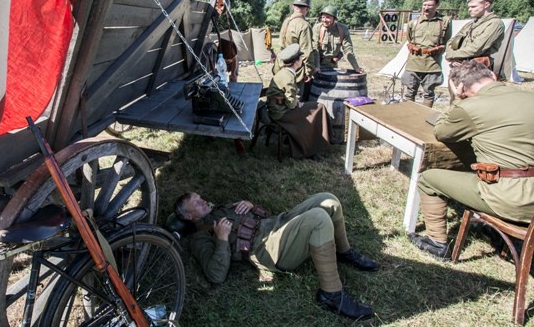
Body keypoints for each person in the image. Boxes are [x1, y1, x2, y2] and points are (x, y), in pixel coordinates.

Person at [173, 191, 379, 320]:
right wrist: (222, 240)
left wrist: (250, 205)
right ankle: (331, 295)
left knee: (329, 200)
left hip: (276, 224)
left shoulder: (219, 209)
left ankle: (343, 251)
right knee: (319, 218)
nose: (204, 201)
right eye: (198, 203)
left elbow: (255, 218)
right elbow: (216, 275)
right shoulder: (201, 237)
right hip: (268, 249)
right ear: (190, 216)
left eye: (200, 197)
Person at [409, 61, 534, 258]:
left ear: (461, 87)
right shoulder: (530, 97)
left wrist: (458, 100)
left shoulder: (470, 106)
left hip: (508, 197)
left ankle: (436, 242)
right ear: (492, 76)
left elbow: (442, 131)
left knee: (428, 179)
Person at [265, 44, 331, 160]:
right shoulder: (289, 76)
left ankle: (312, 145)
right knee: (319, 108)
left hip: (277, 109)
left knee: (315, 107)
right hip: (282, 113)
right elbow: (291, 104)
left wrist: (295, 101)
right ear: (296, 62)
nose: (302, 60)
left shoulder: (284, 72)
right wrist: (296, 102)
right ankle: (312, 149)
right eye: (300, 58)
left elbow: (288, 97)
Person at [401, 0, 452, 107]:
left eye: (429, 5)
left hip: (432, 64)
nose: (426, 8)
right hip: (414, 62)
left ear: (437, 5)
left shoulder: (444, 22)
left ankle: (423, 118)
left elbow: (446, 40)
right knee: (409, 93)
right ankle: (407, 114)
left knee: (429, 93)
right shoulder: (413, 23)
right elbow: (410, 40)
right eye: (424, 5)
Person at [273, 0, 318, 101]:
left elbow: (281, 44)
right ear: (307, 8)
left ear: (293, 6)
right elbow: (306, 51)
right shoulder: (304, 25)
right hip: (296, 68)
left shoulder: (286, 21)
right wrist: (308, 72)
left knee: (282, 96)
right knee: (295, 99)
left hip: (282, 64)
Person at [445, 0, 504, 69]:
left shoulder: (495, 24)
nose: (469, 10)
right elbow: (451, 41)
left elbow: (476, 49)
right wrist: (452, 57)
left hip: (478, 68)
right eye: (469, 7)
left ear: (486, 5)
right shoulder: (470, 24)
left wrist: (451, 55)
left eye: (473, 7)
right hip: (461, 66)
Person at [312, 6, 364, 73]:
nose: (324, 20)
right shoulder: (317, 28)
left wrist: (356, 67)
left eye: (328, 17)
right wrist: (317, 67)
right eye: (323, 17)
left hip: (332, 66)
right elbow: (314, 49)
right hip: (317, 65)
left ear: (334, 18)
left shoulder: (342, 29)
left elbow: (348, 50)